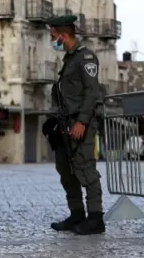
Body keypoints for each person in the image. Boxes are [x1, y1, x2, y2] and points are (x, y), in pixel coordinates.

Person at [42, 15, 105, 235]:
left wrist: (81, 122)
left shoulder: (85, 57)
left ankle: (96, 218)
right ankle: (77, 214)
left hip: (81, 125)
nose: (52, 40)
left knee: (85, 169)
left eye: (53, 36)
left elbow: (92, 93)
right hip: (64, 125)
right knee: (66, 171)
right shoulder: (69, 59)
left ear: (63, 35)